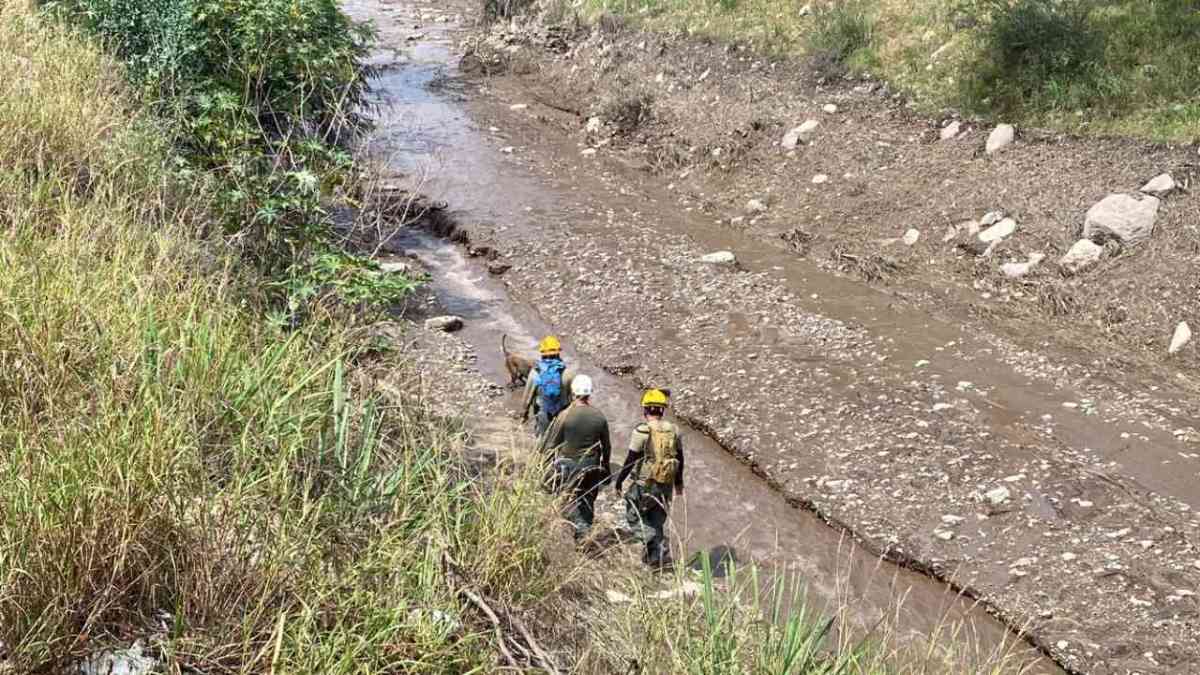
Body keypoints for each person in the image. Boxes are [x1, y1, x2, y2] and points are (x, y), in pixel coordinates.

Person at [614, 388, 685, 567]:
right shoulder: (674, 430)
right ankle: (655, 559)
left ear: (645, 409)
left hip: (645, 483)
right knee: (657, 518)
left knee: (633, 515)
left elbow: (631, 459)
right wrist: (679, 483)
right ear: (662, 409)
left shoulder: (642, 431)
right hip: (667, 482)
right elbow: (680, 458)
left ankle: (656, 544)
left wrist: (619, 481)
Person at [539, 374, 612, 539]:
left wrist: (544, 467)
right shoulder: (599, 416)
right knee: (587, 501)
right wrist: (606, 469)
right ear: (589, 393)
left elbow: (551, 445)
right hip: (592, 468)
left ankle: (571, 528)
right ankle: (583, 535)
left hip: (568, 467)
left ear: (572, 393)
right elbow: (606, 447)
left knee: (568, 499)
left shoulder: (565, 415)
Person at [521, 335, 574, 437]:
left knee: (542, 441)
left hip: (543, 413)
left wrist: (524, 414)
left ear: (542, 354)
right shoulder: (567, 373)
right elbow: (574, 398)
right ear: (558, 353)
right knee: (560, 440)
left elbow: (527, 397)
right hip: (562, 415)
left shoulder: (535, 373)